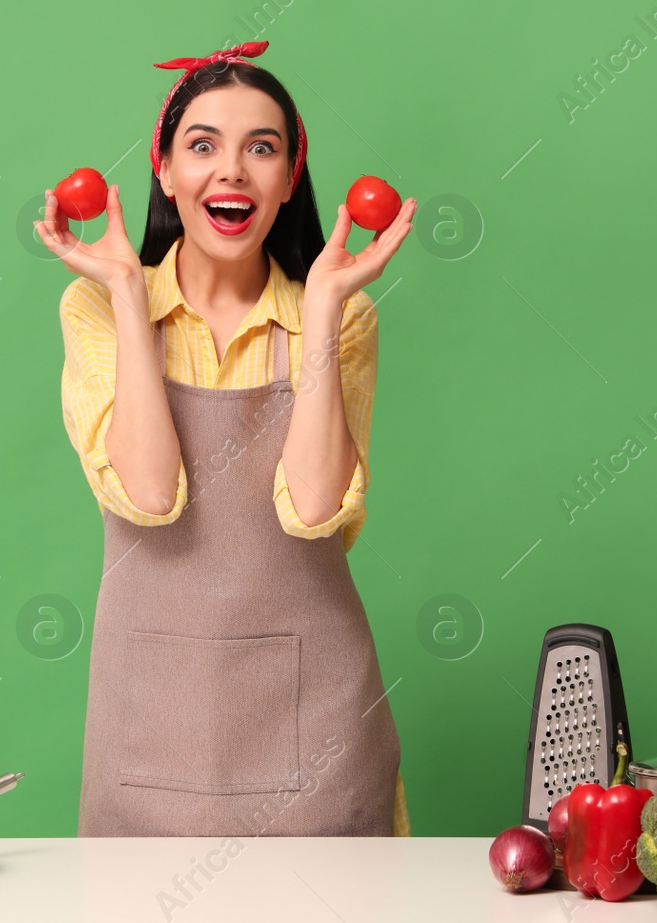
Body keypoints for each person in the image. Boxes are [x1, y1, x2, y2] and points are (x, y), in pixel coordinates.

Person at [41, 41, 415, 837]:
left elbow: (314, 508)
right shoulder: (97, 309)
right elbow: (150, 493)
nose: (232, 171)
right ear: (166, 172)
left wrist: (319, 311)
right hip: (149, 719)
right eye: (203, 145)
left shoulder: (343, 317)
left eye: (262, 149)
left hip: (320, 727)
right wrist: (126, 293)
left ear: (289, 179)